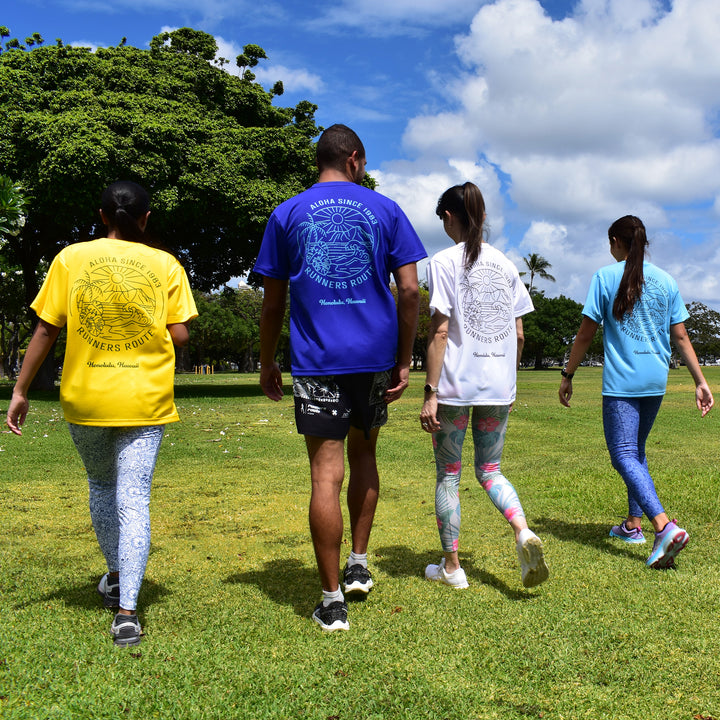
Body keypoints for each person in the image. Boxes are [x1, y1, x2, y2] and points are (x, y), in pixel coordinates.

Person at [6, 181, 198, 646]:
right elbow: (180, 336)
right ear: (146, 217)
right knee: (134, 499)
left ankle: (114, 574)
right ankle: (127, 613)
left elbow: (47, 330)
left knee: (101, 485)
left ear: (101, 215)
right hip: (143, 398)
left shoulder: (70, 258)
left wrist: (21, 388)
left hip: (85, 396)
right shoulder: (167, 263)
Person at [254, 124, 426, 631]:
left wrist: (268, 361)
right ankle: (359, 561)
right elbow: (411, 291)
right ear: (355, 159)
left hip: (317, 359)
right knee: (365, 454)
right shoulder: (386, 209)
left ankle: (332, 601)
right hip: (373, 357)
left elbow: (272, 301)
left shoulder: (285, 213)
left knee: (324, 475)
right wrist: (403, 356)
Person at [559, 215, 713, 569]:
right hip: (655, 381)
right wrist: (700, 381)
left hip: (622, 384)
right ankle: (632, 526)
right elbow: (681, 337)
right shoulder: (666, 280)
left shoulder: (604, 276)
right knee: (636, 452)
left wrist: (568, 374)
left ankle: (663, 527)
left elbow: (585, 335)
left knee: (623, 455)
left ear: (616, 242)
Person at [420, 182, 549, 590]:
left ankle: (453, 568)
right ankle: (522, 531)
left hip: (456, 387)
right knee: (491, 470)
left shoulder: (442, 262)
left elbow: (440, 332)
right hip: (498, 386)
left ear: (448, 217)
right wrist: (509, 387)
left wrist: (430, 391)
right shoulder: (507, 265)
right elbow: (520, 333)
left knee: (449, 474)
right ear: (484, 217)